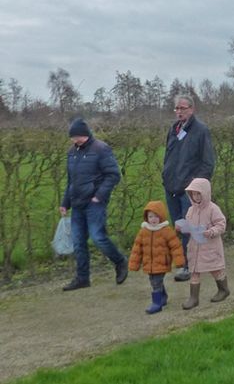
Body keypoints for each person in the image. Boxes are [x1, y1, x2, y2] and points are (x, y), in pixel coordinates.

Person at [60, 118, 128, 291]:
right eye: (72, 138)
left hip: (94, 203)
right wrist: (65, 203)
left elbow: (113, 175)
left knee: (98, 237)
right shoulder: (71, 153)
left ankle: (120, 262)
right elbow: (71, 181)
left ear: (84, 135)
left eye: (76, 137)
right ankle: (82, 278)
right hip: (77, 203)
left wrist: (99, 195)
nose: (74, 140)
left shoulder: (101, 149)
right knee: (78, 242)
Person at [162, 94, 216, 282]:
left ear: (191, 109)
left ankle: (190, 265)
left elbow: (208, 162)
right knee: (180, 226)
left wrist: (196, 187)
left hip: (189, 189)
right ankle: (188, 260)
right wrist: (166, 176)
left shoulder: (201, 130)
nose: (179, 112)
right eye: (176, 108)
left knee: (191, 227)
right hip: (171, 186)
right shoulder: (174, 129)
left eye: (183, 108)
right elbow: (169, 156)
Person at [177, 178, 229, 309]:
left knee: (215, 269)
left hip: (210, 246)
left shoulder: (213, 209)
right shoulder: (191, 210)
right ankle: (194, 298)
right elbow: (189, 225)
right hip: (195, 246)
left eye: (199, 193)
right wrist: (183, 227)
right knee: (194, 271)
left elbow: (221, 224)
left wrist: (211, 231)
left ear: (205, 193)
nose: (196, 197)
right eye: (193, 194)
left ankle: (223, 289)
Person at [128, 201, 185, 314]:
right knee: (153, 280)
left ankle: (157, 303)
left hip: (161, 262)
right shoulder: (144, 231)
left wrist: (179, 261)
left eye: (156, 216)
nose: (153, 219)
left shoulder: (166, 231)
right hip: (148, 263)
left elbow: (176, 246)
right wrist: (134, 264)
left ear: (161, 217)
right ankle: (163, 296)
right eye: (150, 216)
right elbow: (137, 248)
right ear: (146, 217)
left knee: (156, 282)